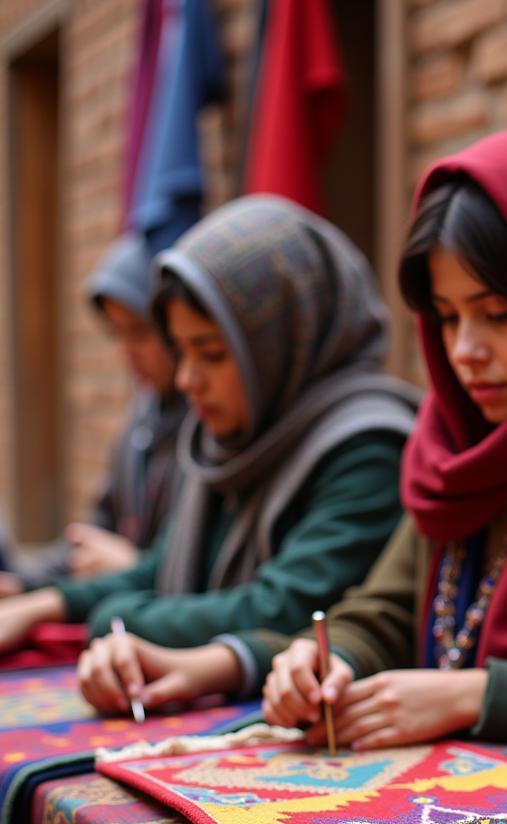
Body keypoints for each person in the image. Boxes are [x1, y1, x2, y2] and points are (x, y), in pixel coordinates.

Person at [241, 125, 507, 748]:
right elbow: (386, 608)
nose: (464, 352)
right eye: (447, 318)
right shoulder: (453, 446)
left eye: (498, 314)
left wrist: (471, 695)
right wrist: (328, 659)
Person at [0, 195, 419, 714]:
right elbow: (159, 566)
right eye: (182, 351)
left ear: (276, 344)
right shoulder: (229, 441)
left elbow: (281, 607)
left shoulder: (369, 446)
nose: (186, 380)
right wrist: (41, 603)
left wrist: (114, 615)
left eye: (213, 354)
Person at [0, 234, 187, 597]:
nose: (127, 353)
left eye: (139, 333)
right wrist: (20, 583)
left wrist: (134, 565)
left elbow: (205, 571)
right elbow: (94, 533)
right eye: (118, 334)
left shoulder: (209, 429)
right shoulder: (142, 419)